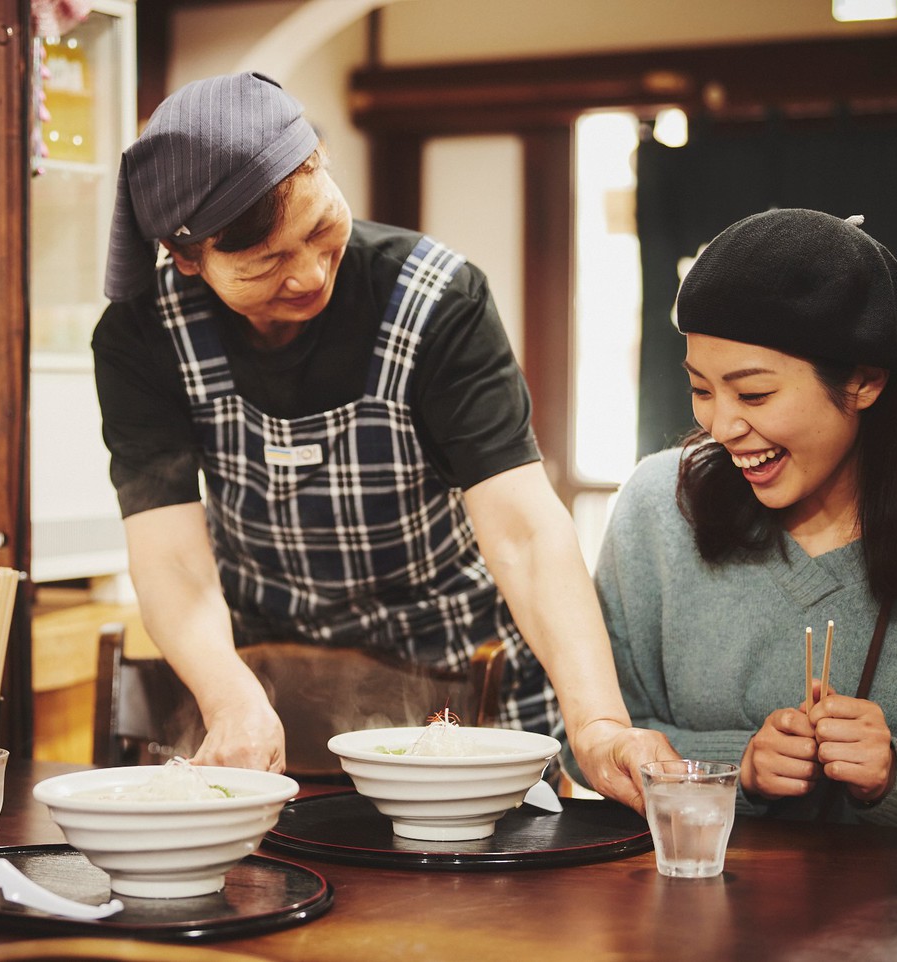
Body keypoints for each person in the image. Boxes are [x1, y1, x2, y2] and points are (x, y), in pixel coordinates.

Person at [94, 71, 671, 806]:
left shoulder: (437, 300)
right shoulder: (144, 338)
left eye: (319, 227)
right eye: (264, 262)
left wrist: (598, 724)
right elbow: (171, 558)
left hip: (461, 689)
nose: (306, 275)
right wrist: (229, 696)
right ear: (187, 258)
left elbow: (524, 533)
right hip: (267, 691)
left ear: (324, 163)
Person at [597, 208, 897, 834]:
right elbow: (597, 739)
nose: (721, 426)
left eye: (754, 394)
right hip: (681, 917)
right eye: (701, 388)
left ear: (864, 380)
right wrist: (737, 768)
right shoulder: (656, 511)